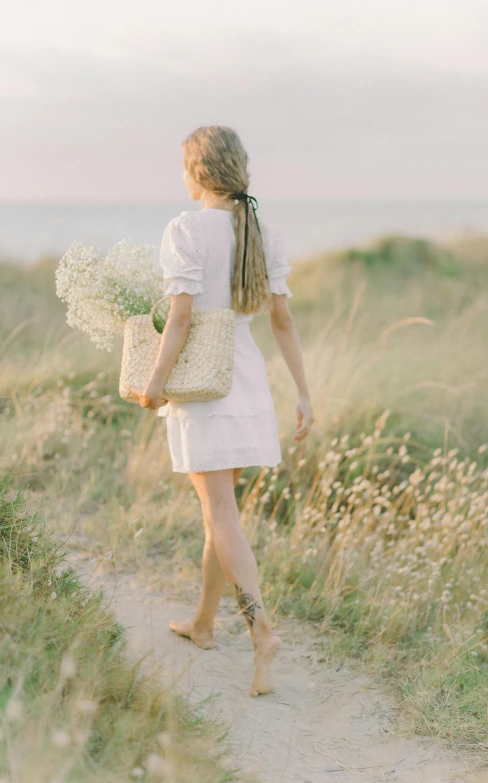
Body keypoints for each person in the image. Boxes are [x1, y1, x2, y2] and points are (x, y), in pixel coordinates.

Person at [126, 125, 314, 697]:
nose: (182, 177)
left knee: (220, 516)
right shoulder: (262, 232)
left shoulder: (185, 230)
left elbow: (180, 319)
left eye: (184, 167)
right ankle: (204, 625)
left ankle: (261, 630)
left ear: (199, 172)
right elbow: (282, 321)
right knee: (220, 512)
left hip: (206, 392)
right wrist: (304, 394)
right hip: (249, 383)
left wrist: (154, 384)